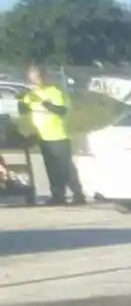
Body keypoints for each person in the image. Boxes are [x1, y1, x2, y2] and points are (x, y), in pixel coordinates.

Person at [20, 66, 86, 207]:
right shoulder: (31, 94)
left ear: (43, 77)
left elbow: (61, 110)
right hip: (43, 136)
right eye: (31, 79)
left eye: (36, 78)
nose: (34, 81)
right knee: (51, 169)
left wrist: (46, 103)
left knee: (65, 168)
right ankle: (58, 195)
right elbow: (22, 109)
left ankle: (78, 194)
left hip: (59, 135)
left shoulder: (55, 92)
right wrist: (22, 100)